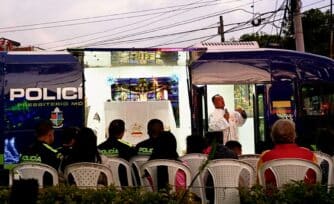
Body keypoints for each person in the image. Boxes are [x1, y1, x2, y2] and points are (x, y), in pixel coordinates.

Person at [257, 119, 317, 187]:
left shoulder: (265, 157)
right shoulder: (310, 155)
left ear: (272, 136)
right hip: (304, 196)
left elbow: (259, 184)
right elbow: (316, 181)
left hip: (274, 197)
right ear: (294, 135)